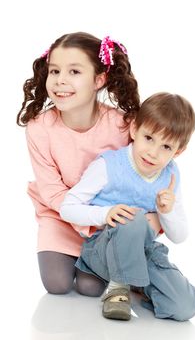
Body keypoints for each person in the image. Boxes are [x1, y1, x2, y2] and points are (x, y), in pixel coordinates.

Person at [60, 92, 195, 321]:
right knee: (134, 216)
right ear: (135, 130)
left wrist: (167, 212)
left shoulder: (170, 176)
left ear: (178, 151)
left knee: (185, 307)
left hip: (143, 252)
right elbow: (67, 207)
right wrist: (106, 213)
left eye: (166, 147)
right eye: (149, 138)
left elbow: (179, 236)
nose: (153, 152)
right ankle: (118, 288)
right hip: (102, 250)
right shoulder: (109, 165)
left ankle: (138, 283)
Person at [16, 32, 141, 296]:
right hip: (61, 213)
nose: (60, 80)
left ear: (99, 80)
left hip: (105, 220)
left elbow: (139, 173)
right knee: (57, 284)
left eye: (74, 71)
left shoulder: (121, 126)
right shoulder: (39, 128)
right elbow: (51, 191)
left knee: (90, 287)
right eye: (55, 71)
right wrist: (85, 220)